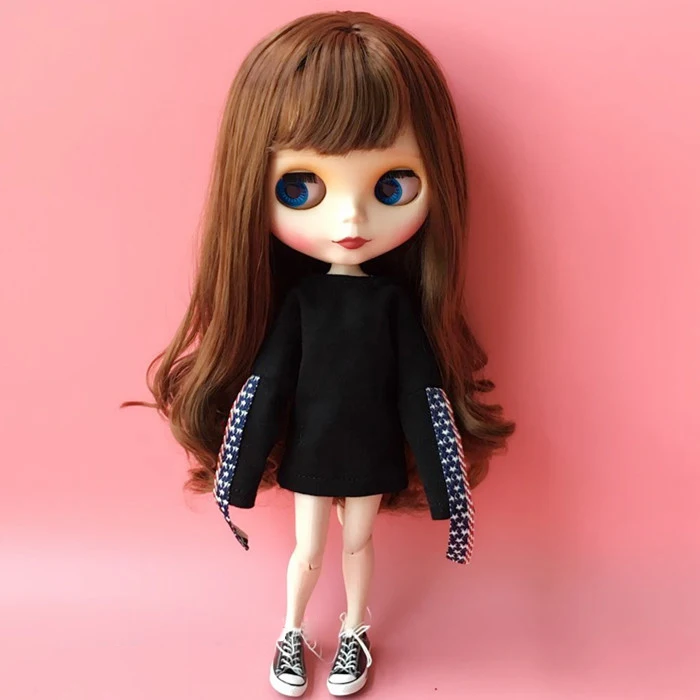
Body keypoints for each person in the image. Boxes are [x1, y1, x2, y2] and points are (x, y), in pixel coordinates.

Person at [123, 10, 515, 697]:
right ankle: (292, 631)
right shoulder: (301, 304)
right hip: (313, 449)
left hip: (369, 450)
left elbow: (419, 391)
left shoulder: (393, 305)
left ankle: (354, 630)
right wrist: (237, 476)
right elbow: (269, 383)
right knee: (310, 546)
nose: (351, 219)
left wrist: (445, 483)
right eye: (300, 189)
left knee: (358, 541)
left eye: (391, 187)